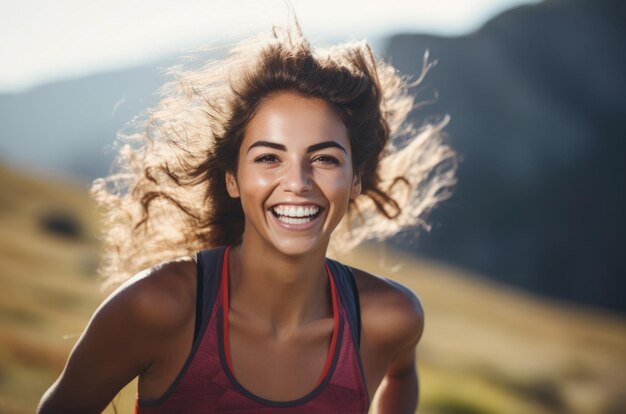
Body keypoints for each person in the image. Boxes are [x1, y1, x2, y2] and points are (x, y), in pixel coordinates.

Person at [38, 20, 456, 414]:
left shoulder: (391, 318)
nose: (298, 181)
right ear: (233, 179)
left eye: (325, 158)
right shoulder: (157, 307)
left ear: (356, 180)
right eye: (269, 157)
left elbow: (401, 377)